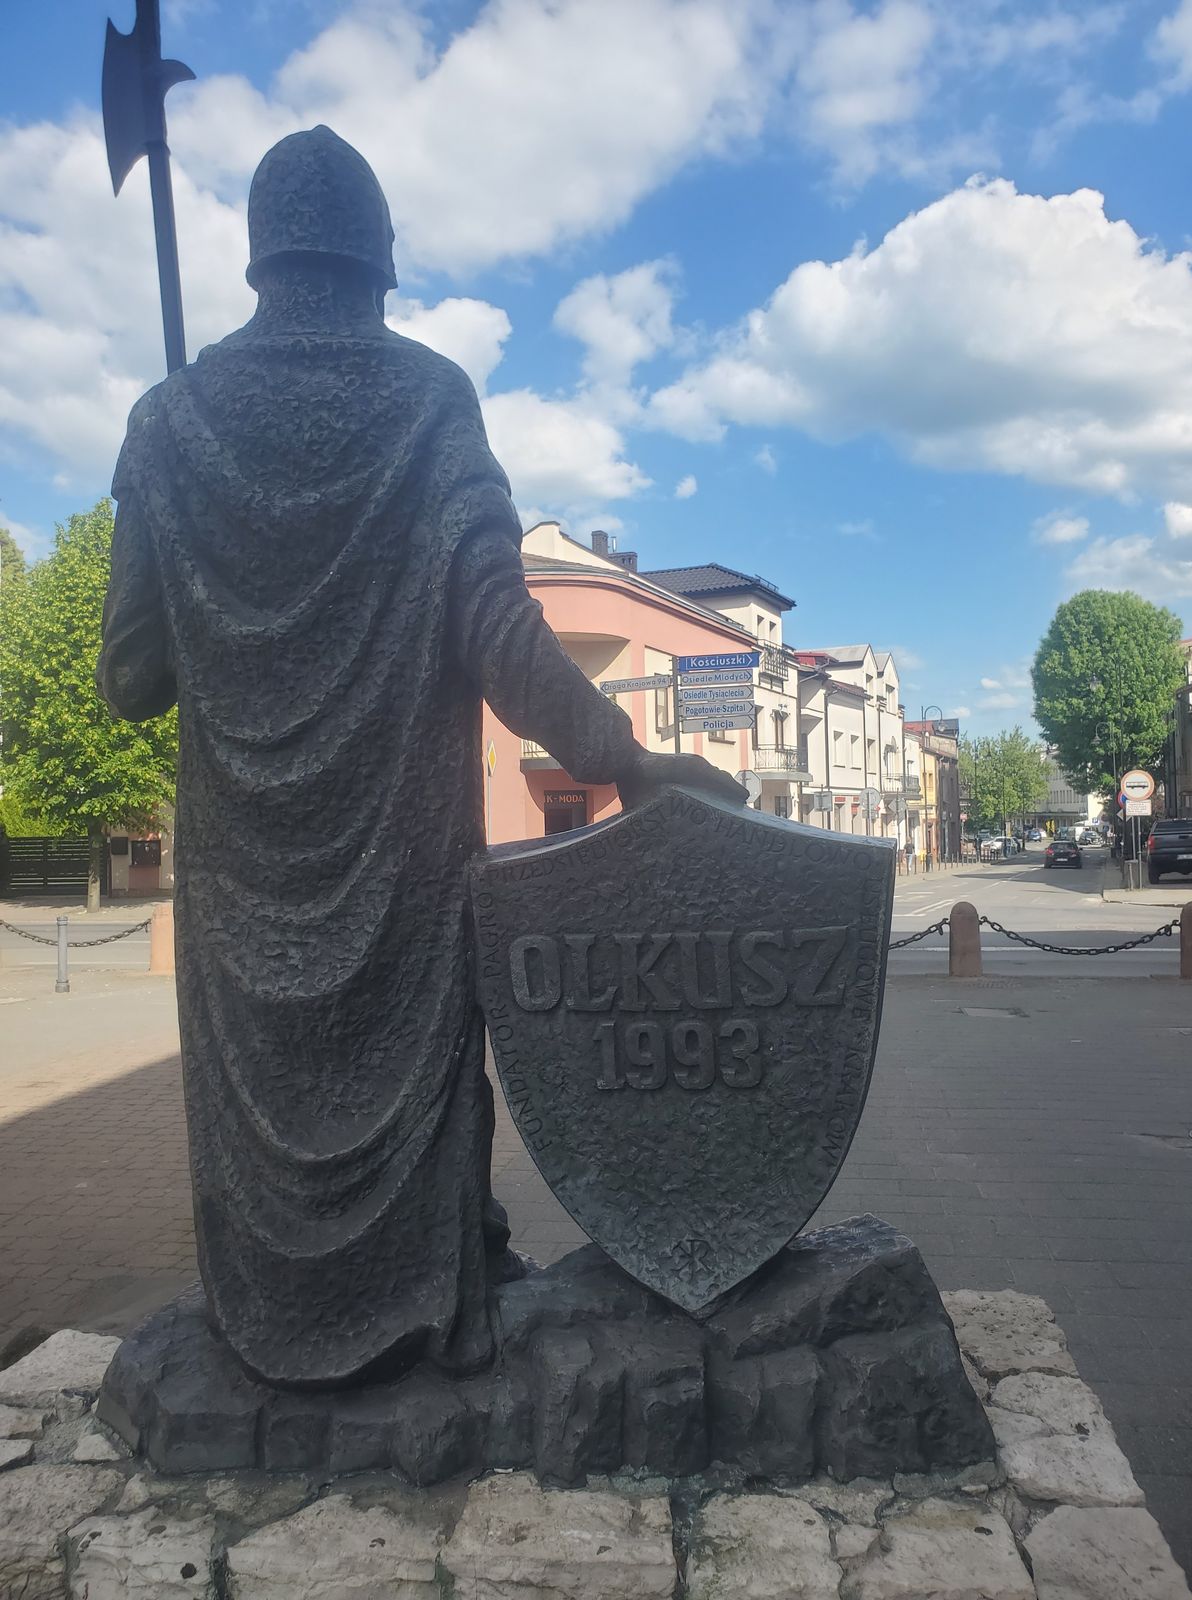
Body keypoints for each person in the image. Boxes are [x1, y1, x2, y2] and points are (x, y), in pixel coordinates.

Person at [96, 127, 743, 1388]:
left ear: (258, 264)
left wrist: (190, 522)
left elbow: (130, 680)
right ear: (379, 266)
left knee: (258, 1102)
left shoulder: (168, 421)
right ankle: (422, 1302)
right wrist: (621, 753)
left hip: (240, 883)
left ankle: (271, 1324)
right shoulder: (430, 400)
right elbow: (503, 633)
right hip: (405, 863)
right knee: (423, 1078)